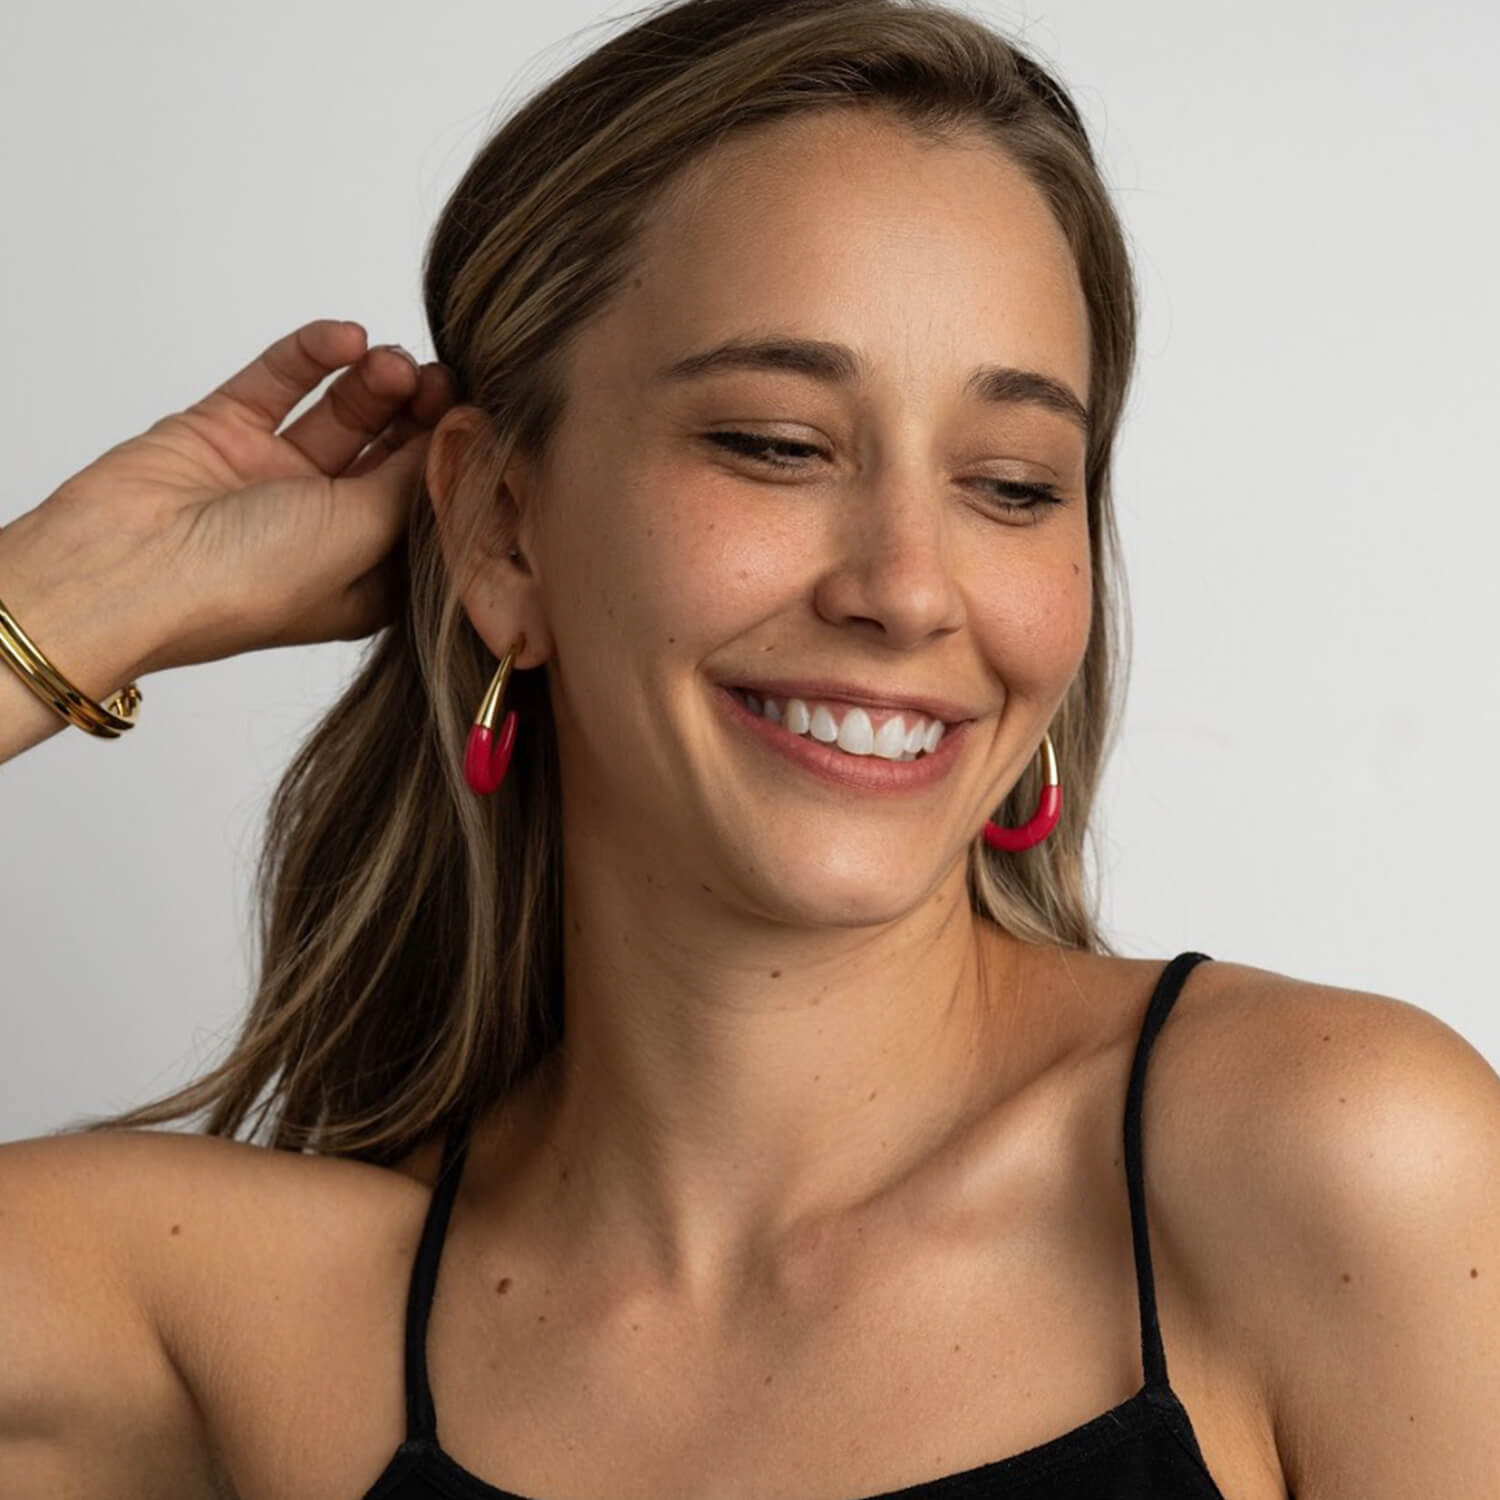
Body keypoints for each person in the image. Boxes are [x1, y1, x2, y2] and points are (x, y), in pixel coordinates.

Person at [1, 0, 1496, 1494]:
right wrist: (71, 608)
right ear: (504, 524)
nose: (908, 588)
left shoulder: (1337, 1169)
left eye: (1014, 483)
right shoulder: (254, 1328)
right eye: (778, 445)